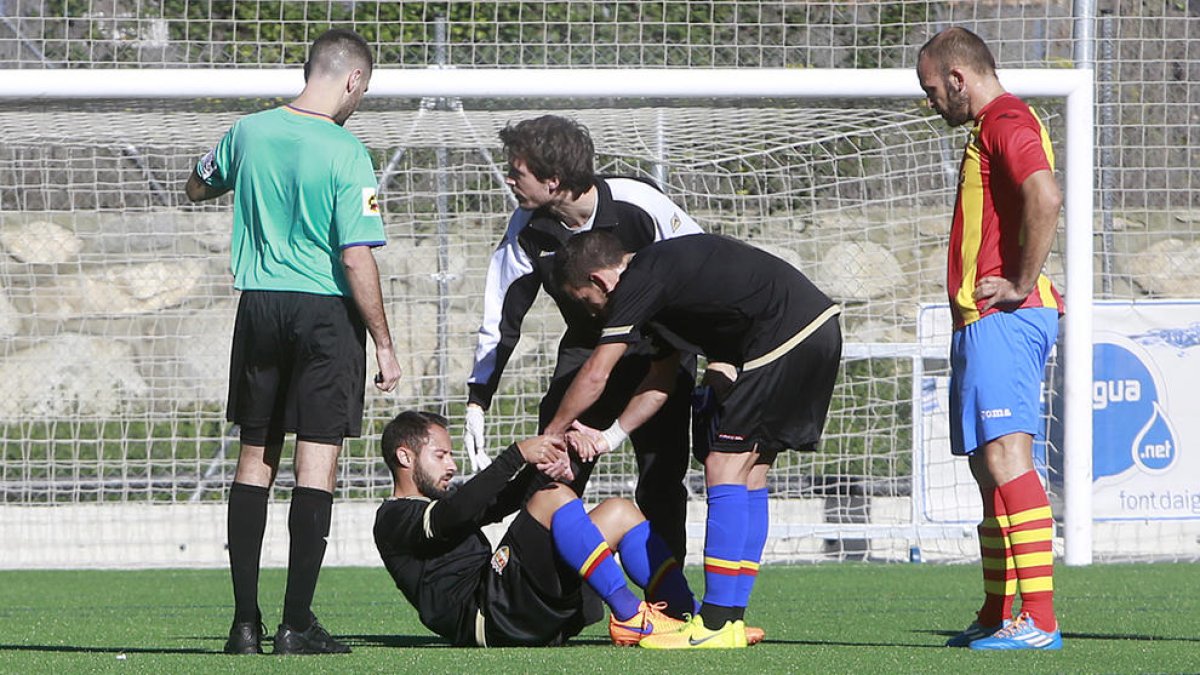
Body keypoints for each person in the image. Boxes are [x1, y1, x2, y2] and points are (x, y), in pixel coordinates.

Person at [185, 28, 402, 656]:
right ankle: (296, 624)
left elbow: (197, 184)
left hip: (258, 308)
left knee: (255, 458)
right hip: (326, 316)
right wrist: (384, 343)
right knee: (318, 460)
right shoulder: (347, 152)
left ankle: (244, 626)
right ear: (354, 81)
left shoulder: (246, 133)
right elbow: (356, 255)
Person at [546, 231, 842, 649]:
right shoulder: (662, 289)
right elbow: (660, 380)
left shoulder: (640, 277)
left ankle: (715, 623)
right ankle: (731, 621)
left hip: (784, 337)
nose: (590, 312)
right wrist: (609, 437)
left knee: (722, 464)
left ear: (598, 280)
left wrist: (552, 434)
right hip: (815, 330)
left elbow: (597, 371)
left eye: (583, 300)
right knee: (750, 473)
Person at [463, 114, 701, 562]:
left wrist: (720, 356)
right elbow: (501, 315)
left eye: (518, 172)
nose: (509, 179)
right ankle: (535, 592)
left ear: (553, 180)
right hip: (586, 352)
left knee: (661, 476)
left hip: (660, 353)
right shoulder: (526, 229)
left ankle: (665, 601)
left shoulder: (637, 202)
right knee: (553, 468)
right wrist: (479, 396)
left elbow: (703, 263)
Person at [916, 26, 1064, 651]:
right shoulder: (992, 126)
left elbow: (1045, 195)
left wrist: (1022, 280)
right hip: (982, 323)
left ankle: (1040, 621)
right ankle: (999, 610)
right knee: (987, 467)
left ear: (957, 78)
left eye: (931, 90)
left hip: (1005, 316)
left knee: (1007, 458)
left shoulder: (1005, 120)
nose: (930, 103)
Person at [373, 410, 697, 647]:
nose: (452, 465)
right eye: (440, 455)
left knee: (619, 512)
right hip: (489, 616)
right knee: (552, 498)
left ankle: (691, 617)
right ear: (405, 456)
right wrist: (516, 454)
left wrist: (554, 460)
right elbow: (454, 514)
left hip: (511, 603)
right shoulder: (393, 518)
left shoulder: (448, 502)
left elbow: (499, 502)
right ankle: (631, 616)